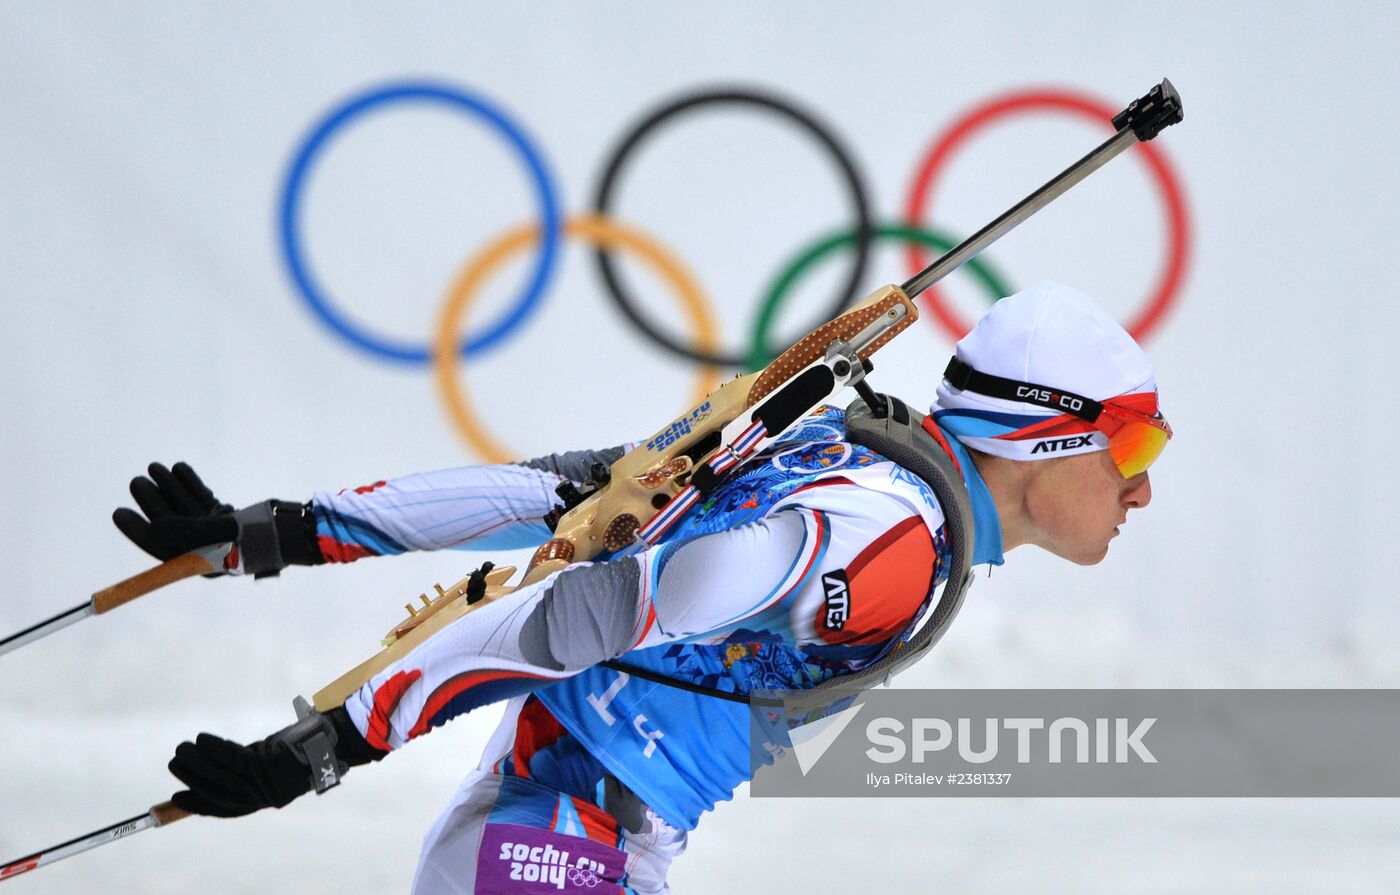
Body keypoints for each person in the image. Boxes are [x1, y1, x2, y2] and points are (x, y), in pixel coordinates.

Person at [117, 280, 1169, 894]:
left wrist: (279, 534)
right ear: (1045, 434)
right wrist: (325, 744)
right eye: (1131, 442)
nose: (1142, 487)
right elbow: (589, 607)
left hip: (557, 837)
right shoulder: (885, 539)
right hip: (558, 849)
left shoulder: (860, 468)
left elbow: (567, 495)